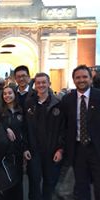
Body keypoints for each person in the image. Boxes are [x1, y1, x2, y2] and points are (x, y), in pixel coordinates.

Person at [61, 65, 100, 200]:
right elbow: (64, 125)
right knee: (81, 186)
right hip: (78, 150)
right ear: (73, 80)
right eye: (78, 77)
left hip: (97, 149)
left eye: (84, 77)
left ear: (91, 79)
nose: (81, 80)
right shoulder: (67, 100)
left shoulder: (99, 96)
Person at [24, 72, 65, 200]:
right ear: (35, 85)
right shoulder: (29, 103)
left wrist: (61, 149)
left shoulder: (58, 103)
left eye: (43, 82)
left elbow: (63, 128)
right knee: (34, 183)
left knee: (49, 183)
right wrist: (25, 147)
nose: (41, 85)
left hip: (52, 151)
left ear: (49, 84)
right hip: (34, 150)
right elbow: (24, 128)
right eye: (38, 83)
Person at [1, 85, 25, 199]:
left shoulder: (21, 110)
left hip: (18, 148)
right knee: (7, 177)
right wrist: (6, 128)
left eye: (10, 93)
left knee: (18, 177)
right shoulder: (0, 111)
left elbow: (26, 129)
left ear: (14, 94)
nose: (7, 96)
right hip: (5, 150)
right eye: (5, 94)